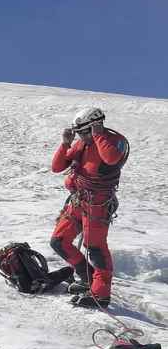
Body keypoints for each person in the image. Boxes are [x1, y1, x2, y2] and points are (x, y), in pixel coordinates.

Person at [50, 108, 129, 308]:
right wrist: (66, 143)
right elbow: (58, 166)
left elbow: (111, 158)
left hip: (97, 205)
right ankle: (88, 279)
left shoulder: (113, 141)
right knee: (59, 241)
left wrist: (98, 134)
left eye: (83, 132)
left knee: (95, 248)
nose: (81, 136)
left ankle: (101, 294)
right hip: (79, 201)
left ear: (96, 125)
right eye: (79, 133)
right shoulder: (81, 144)